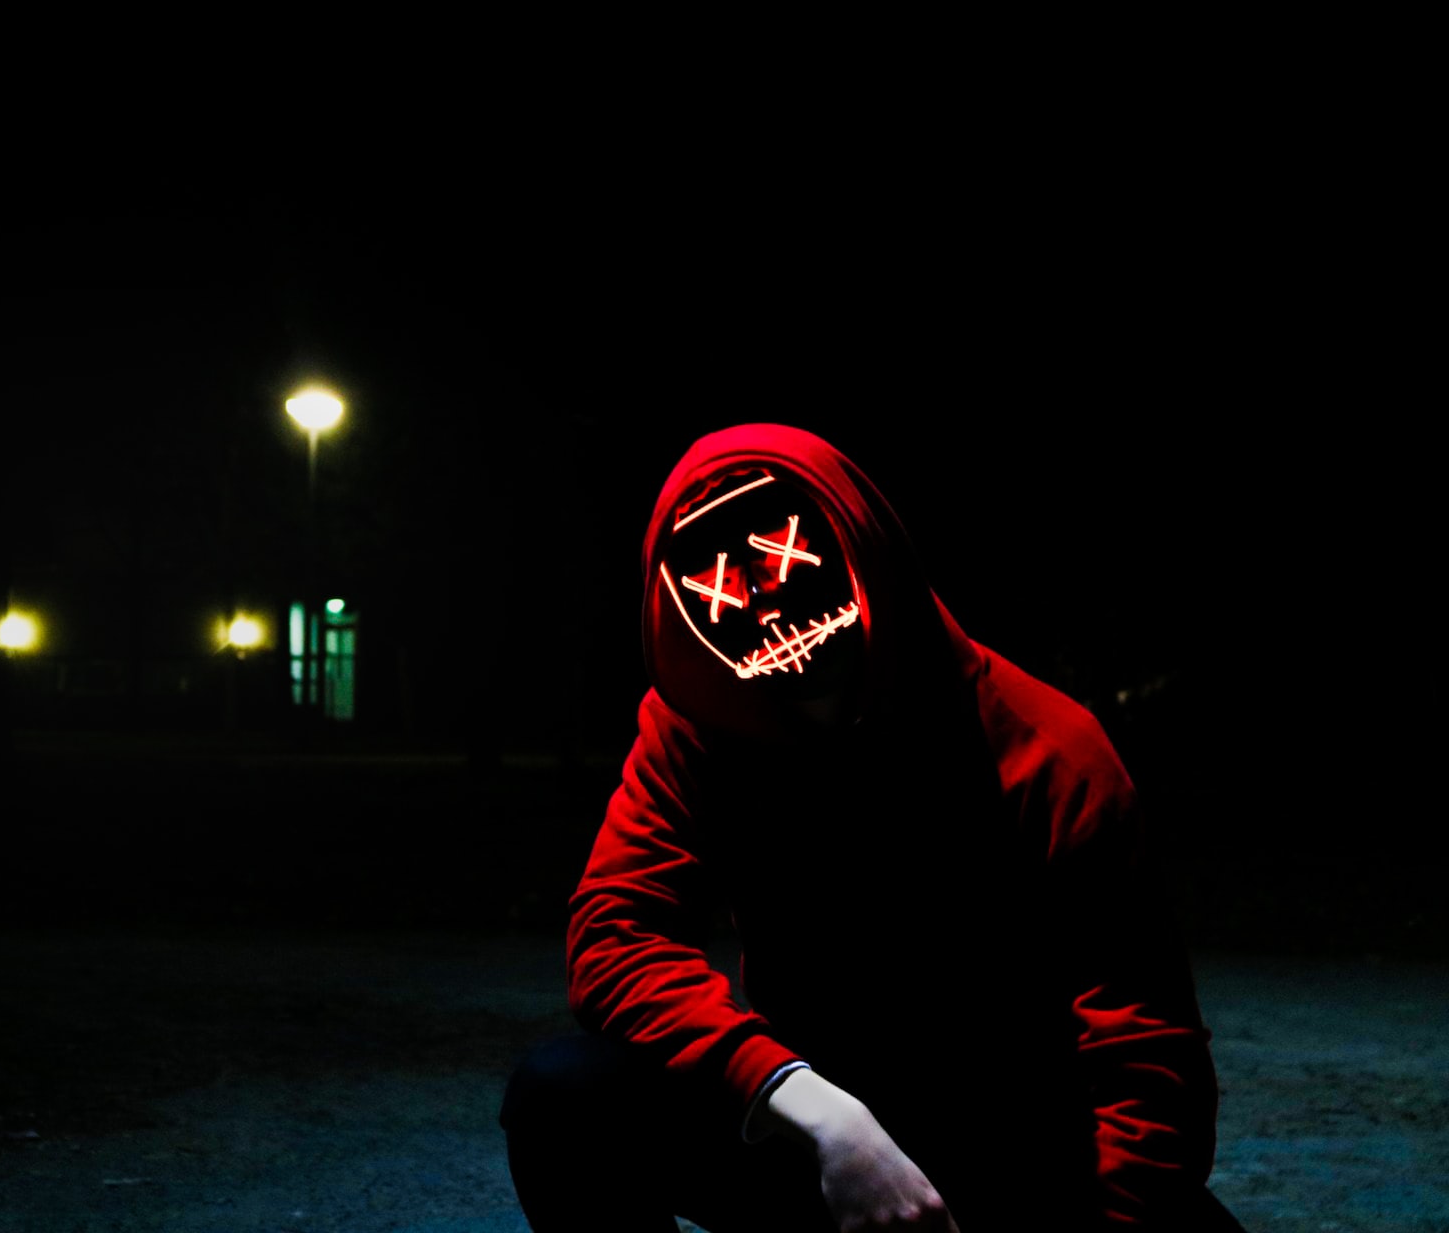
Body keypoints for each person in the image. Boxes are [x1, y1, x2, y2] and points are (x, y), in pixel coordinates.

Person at [500, 423, 1243, 1231]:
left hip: (1021, 1150)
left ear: (862, 539)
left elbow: (1146, 1051)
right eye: (718, 586)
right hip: (823, 1138)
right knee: (564, 1095)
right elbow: (615, 935)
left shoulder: (1048, 750)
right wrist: (810, 1105)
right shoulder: (696, 729)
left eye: (785, 556)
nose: (763, 600)